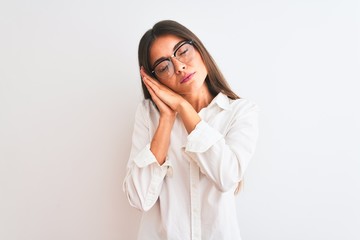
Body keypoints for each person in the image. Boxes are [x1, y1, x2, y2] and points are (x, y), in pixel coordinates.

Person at [123, 19, 259, 240]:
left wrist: (183, 108)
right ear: (154, 78)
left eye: (183, 51)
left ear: (199, 48)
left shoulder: (240, 112)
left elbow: (226, 177)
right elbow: (139, 197)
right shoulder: (148, 114)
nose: (179, 67)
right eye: (164, 66)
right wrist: (167, 118)